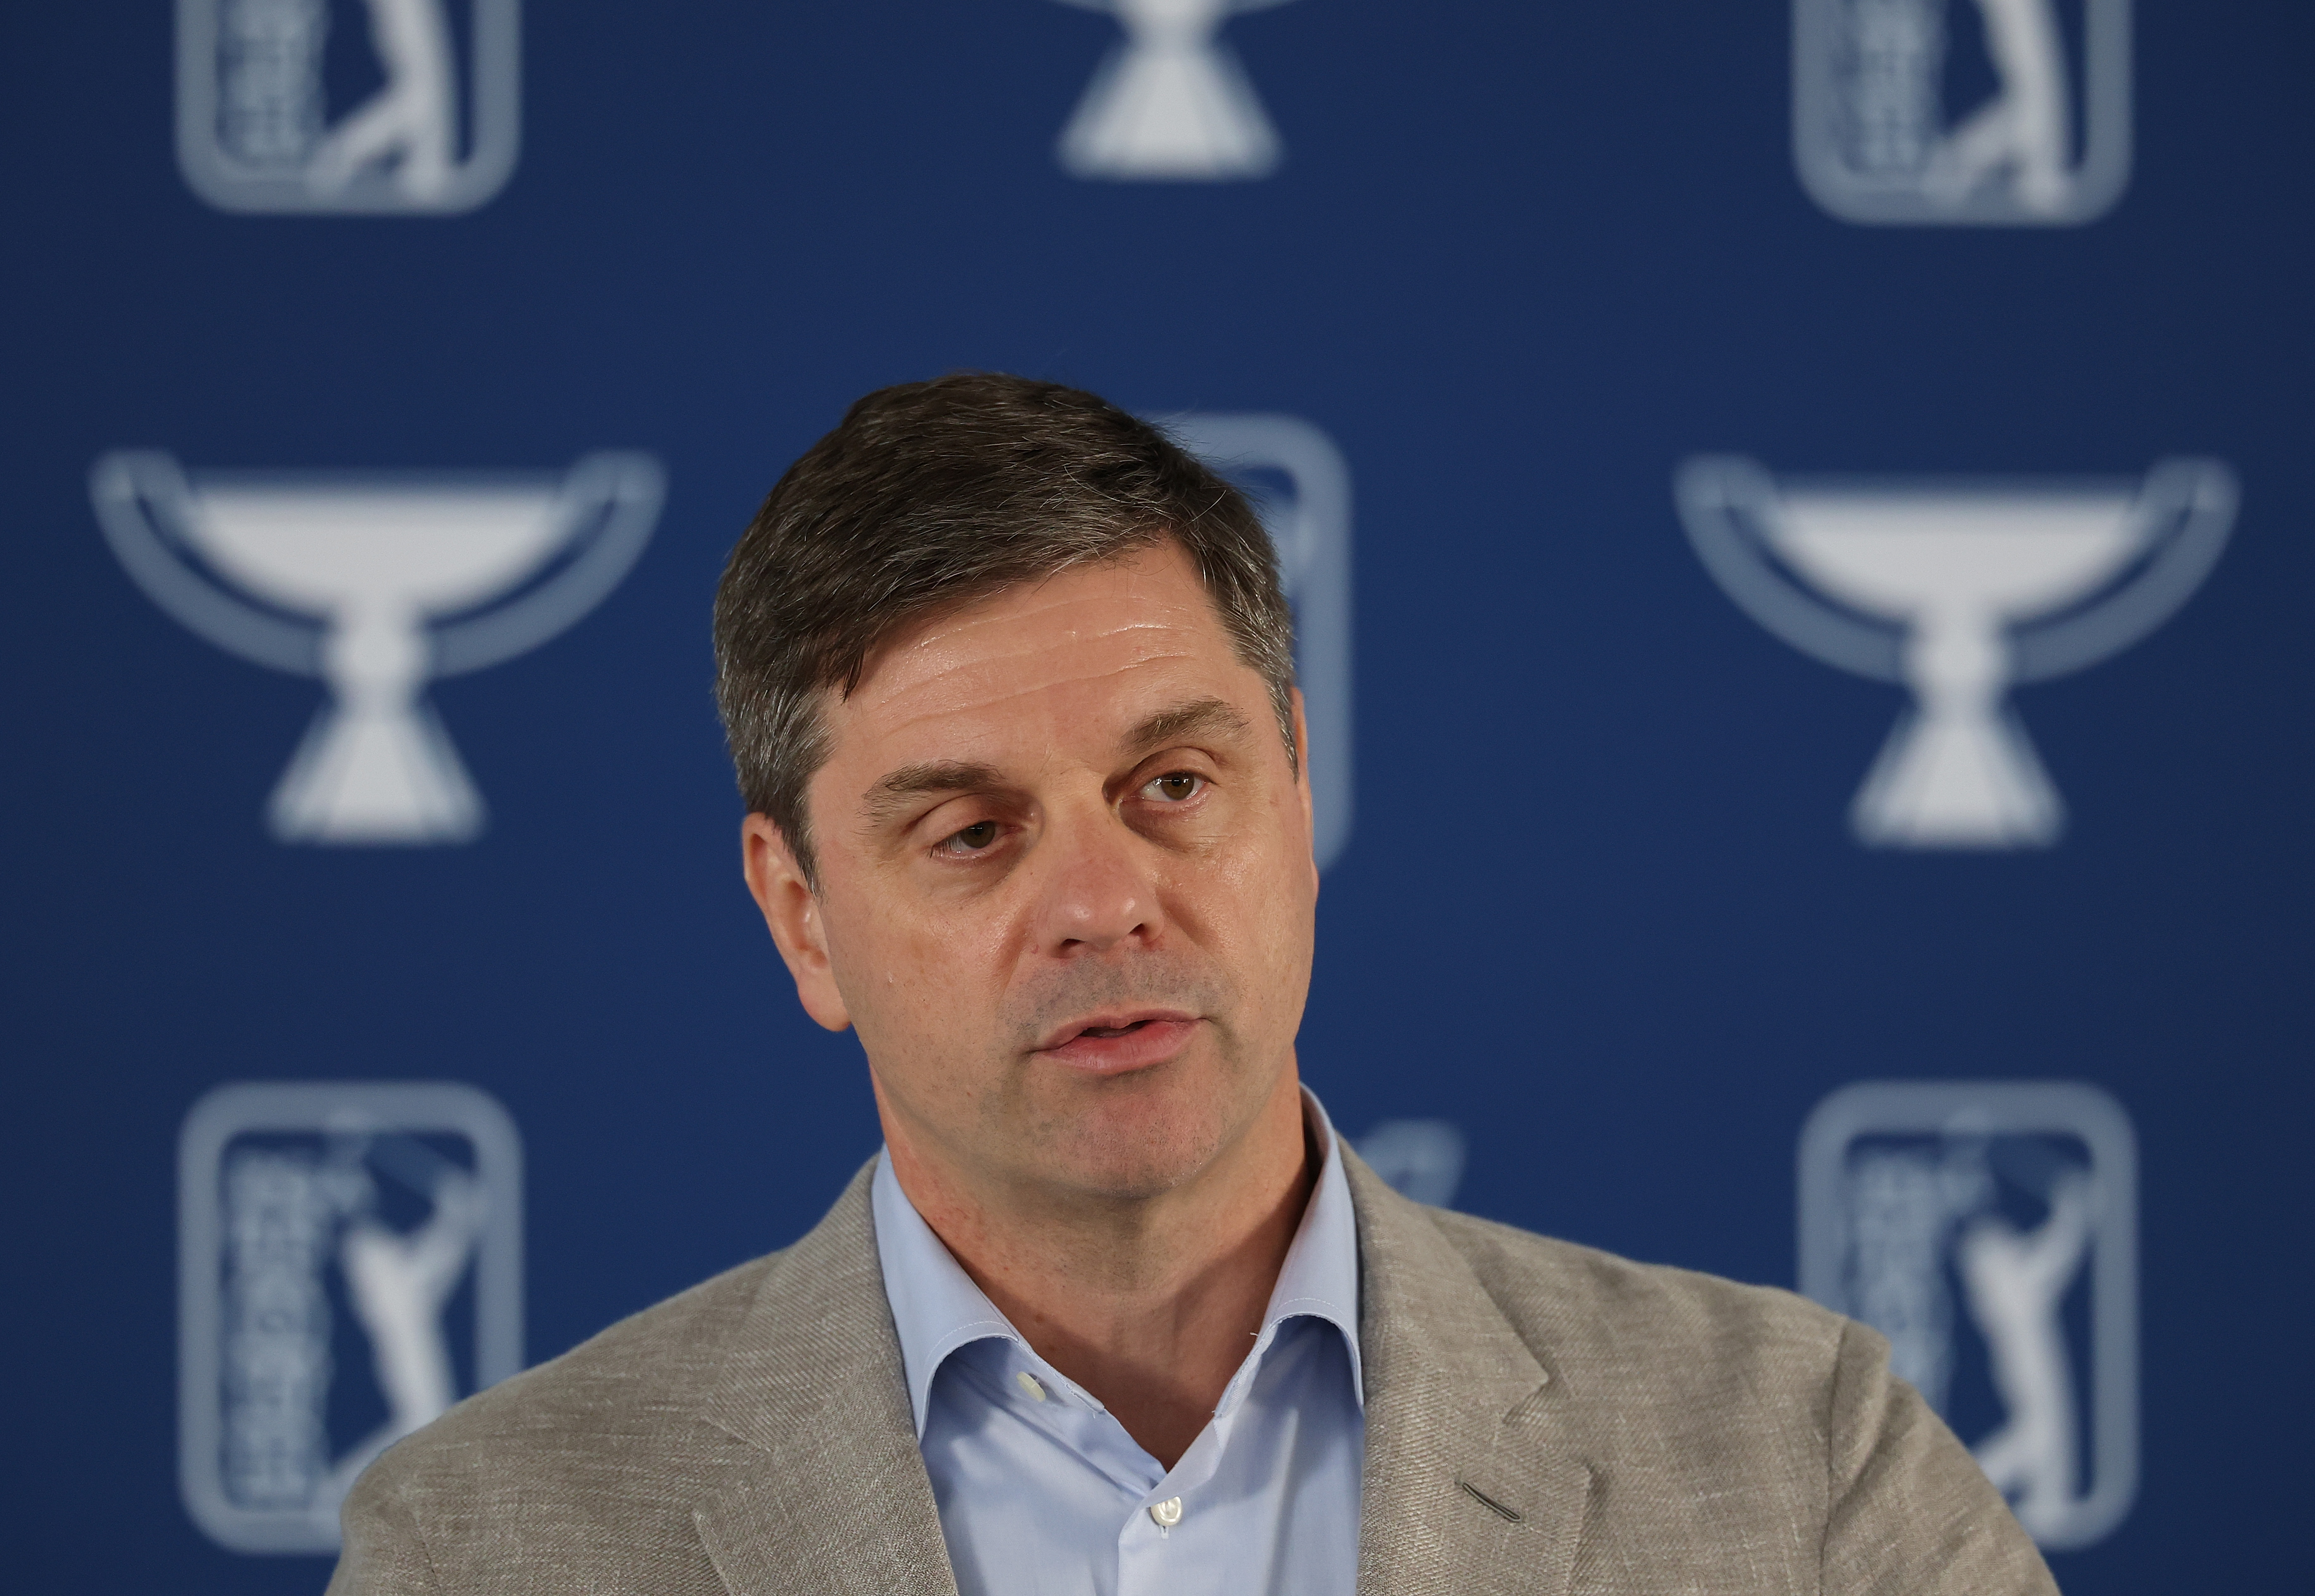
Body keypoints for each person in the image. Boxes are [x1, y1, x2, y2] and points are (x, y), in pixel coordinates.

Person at [326, 373, 2057, 1595]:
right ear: (803, 919)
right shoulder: (486, 1549)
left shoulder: (1799, 1464)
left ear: (1294, 791)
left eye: (1171, 785)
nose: (1103, 903)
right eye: (972, 832)